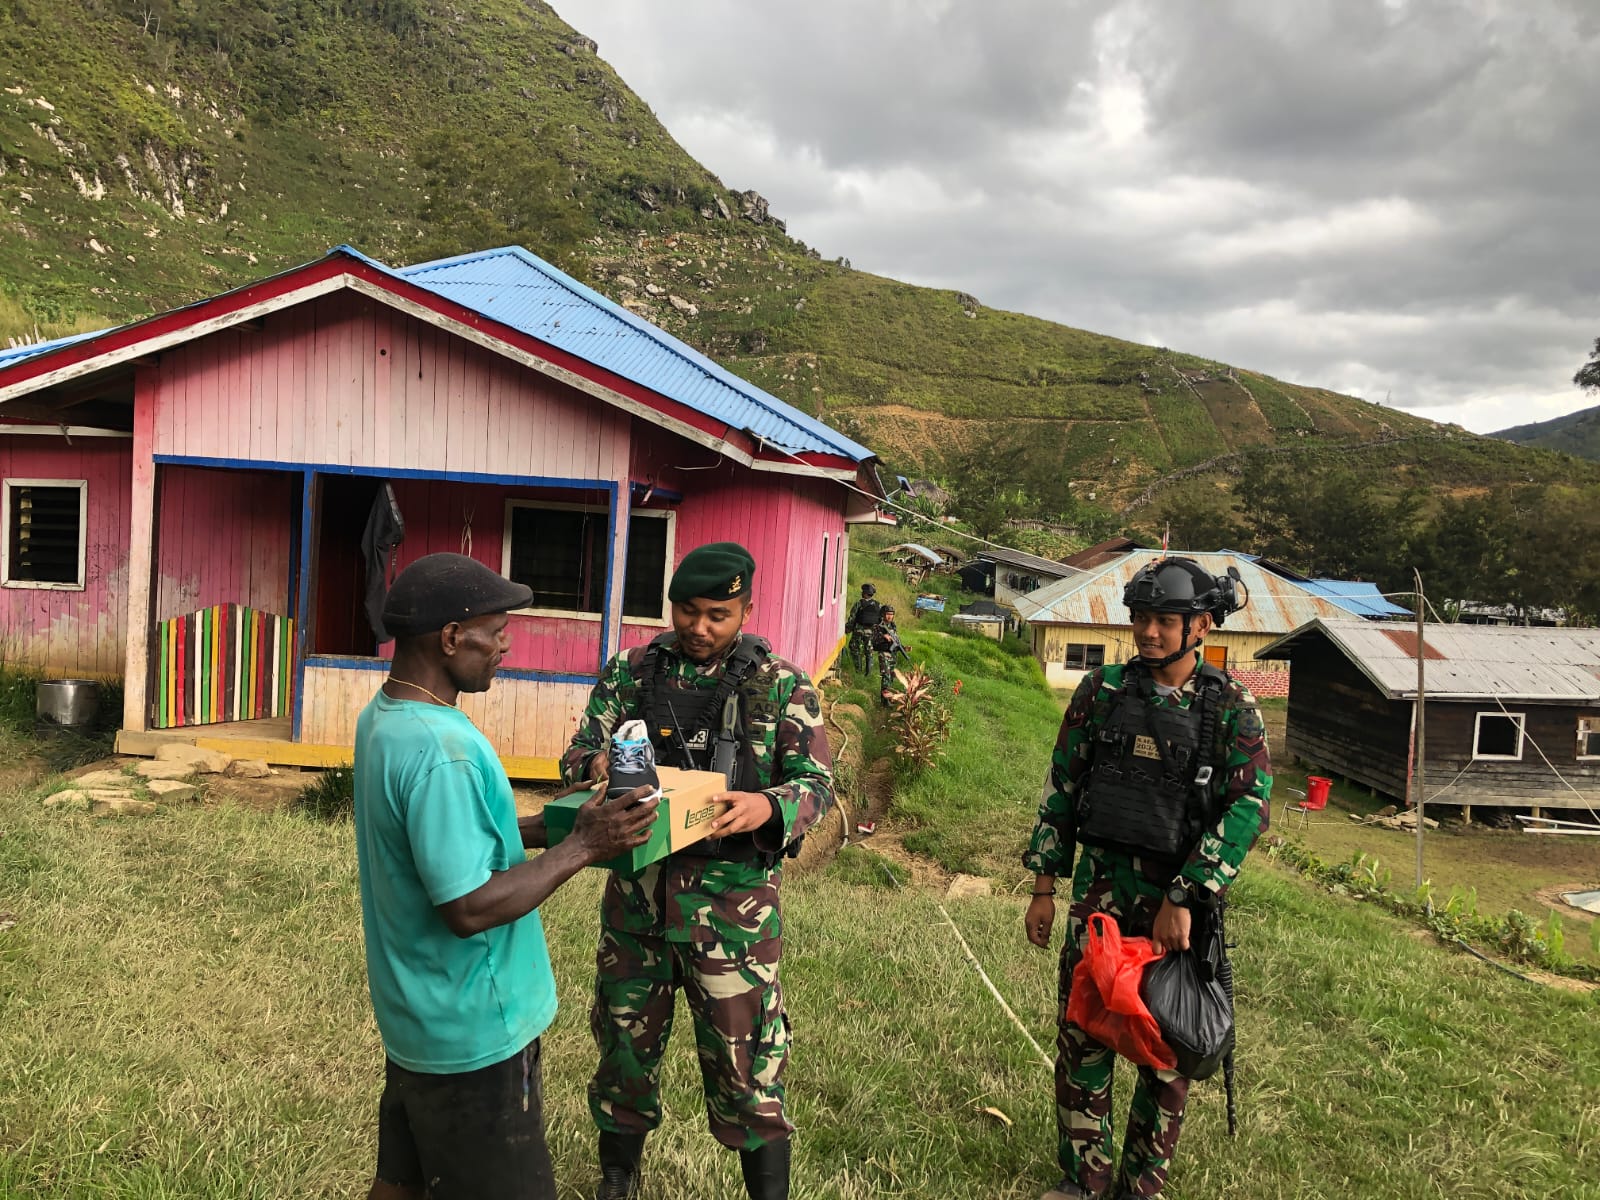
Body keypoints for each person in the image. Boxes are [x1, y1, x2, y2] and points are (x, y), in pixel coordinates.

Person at [354, 552, 659, 1200]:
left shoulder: (385, 720)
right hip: (475, 1035)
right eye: (496, 631)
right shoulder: (445, 751)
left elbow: (440, 840)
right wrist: (583, 846)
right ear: (450, 638)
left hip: (417, 1019)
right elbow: (466, 907)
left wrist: (553, 826)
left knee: (400, 1184)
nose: (505, 645)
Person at [560, 541, 835, 1200]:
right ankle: (615, 1180)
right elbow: (577, 753)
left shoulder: (782, 684)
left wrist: (766, 804)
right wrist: (599, 767)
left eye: (719, 614)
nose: (701, 628)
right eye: (688, 611)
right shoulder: (631, 673)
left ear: (746, 607)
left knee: (749, 1072)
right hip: (637, 911)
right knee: (624, 1058)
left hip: (733, 918)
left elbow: (818, 785)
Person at [1022, 557, 1272, 1200]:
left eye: (1165, 621)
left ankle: (1141, 1186)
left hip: (1174, 908)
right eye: (1141, 619)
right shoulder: (1100, 693)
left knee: (1163, 1051)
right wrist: (1045, 886)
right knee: (1085, 1036)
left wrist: (1188, 894)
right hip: (1100, 897)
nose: (1148, 633)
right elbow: (1063, 788)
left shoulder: (1230, 707)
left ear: (1201, 625)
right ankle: (1084, 1181)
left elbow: (1250, 808)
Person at [870, 605, 907, 702]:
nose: (889, 617)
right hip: (884, 653)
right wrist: (883, 636)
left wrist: (903, 647)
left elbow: (896, 639)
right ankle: (885, 701)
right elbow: (872, 639)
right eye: (887, 614)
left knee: (891, 676)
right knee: (886, 675)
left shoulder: (893, 625)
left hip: (893, 654)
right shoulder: (877, 625)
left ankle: (888, 699)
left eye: (891, 614)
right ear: (883, 614)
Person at [845, 582, 882, 673]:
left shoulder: (859, 603)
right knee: (869, 650)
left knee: (854, 647)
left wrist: (848, 629)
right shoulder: (878, 605)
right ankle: (868, 673)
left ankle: (858, 670)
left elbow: (852, 618)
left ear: (865, 593)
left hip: (859, 629)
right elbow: (880, 620)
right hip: (871, 631)